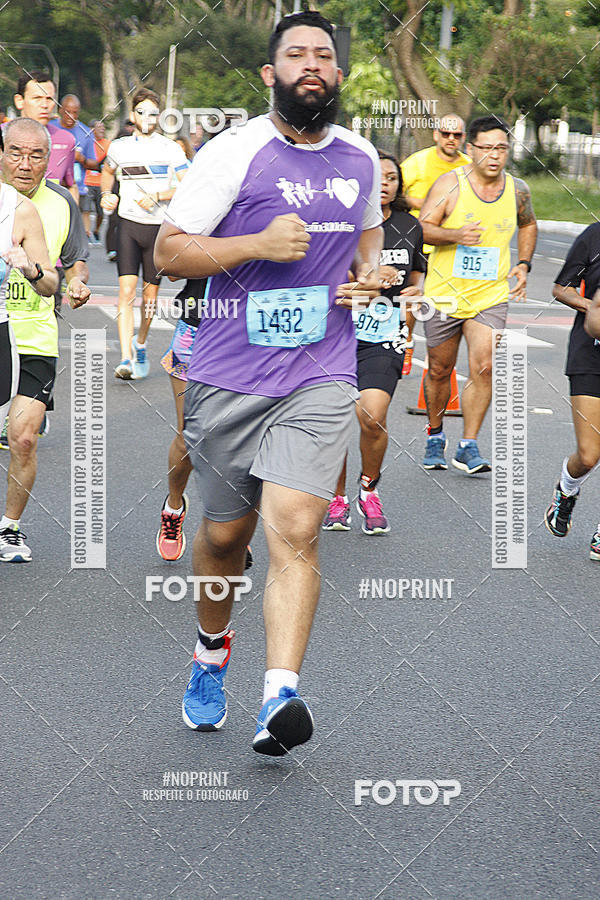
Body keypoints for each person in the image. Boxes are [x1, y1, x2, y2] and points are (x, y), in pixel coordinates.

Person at [154, 10, 383, 754]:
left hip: (320, 371)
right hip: (228, 374)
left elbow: (368, 231)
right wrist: (255, 243)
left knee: (297, 528)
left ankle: (278, 697)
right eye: (296, 55)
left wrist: (369, 274)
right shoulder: (234, 152)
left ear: (337, 76)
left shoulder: (360, 158)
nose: (311, 65)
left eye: (323, 55)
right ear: (270, 73)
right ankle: (209, 653)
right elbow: (167, 250)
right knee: (225, 536)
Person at [419, 114, 537, 474]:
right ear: (471, 149)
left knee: (484, 367)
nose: (494, 156)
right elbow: (422, 229)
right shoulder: (449, 185)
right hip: (445, 294)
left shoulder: (517, 189)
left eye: (501, 148)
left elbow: (528, 223)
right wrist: (456, 236)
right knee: (440, 370)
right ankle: (435, 434)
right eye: (486, 148)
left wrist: (524, 264)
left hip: (489, 295)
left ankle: (468, 445)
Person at [0, 118, 90, 563]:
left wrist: (76, 283)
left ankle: (9, 527)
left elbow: (74, 263)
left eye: (36, 155)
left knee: (25, 438)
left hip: (35, 334)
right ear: (2, 152)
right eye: (16, 152)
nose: (25, 164)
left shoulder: (60, 202)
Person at [323, 150, 425, 534]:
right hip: (337, 332)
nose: (385, 183)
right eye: (377, 176)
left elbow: (417, 276)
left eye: (392, 177)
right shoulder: (338, 221)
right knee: (333, 421)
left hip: (384, 333)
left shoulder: (409, 225)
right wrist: (364, 280)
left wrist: (416, 294)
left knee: (372, 416)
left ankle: (368, 488)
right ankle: (336, 498)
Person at [100, 88, 188, 380]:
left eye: (152, 113)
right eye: (141, 112)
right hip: (128, 225)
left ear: (159, 116)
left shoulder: (171, 149)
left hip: (158, 231)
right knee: (126, 292)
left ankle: (140, 343)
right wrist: (105, 195)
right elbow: (108, 172)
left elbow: (188, 187)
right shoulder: (119, 147)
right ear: (132, 115)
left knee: (149, 297)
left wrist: (160, 196)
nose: (147, 118)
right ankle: (125, 358)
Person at [544, 227, 600, 560]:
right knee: (589, 454)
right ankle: (567, 489)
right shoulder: (593, 237)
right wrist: (591, 309)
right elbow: (561, 287)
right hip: (589, 355)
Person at [400, 115, 469, 374]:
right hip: (417, 241)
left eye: (457, 135)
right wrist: (424, 204)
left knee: (441, 302)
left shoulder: (469, 165)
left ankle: (440, 356)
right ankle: (406, 341)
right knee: (411, 297)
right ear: (436, 135)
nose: (451, 139)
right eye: (446, 133)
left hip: (451, 245)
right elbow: (394, 193)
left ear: (463, 138)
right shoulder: (418, 162)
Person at [13, 72, 76, 191]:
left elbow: (70, 185)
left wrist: (73, 208)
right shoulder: (3, 135)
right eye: (37, 98)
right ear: (19, 101)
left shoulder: (66, 140)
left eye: (49, 99)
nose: (44, 105)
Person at [57, 94, 98, 208]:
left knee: (79, 223)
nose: (71, 116)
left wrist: (81, 158)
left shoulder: (86, 132)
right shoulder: (50, 128)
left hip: (78, 190)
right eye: (67, 112)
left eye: (75, 112)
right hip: (53, 187)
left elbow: (94, 165)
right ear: (60, 110)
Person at [82, 119, 110, 241]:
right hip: (87, 181)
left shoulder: (108, 144)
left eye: (103, 127)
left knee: (100, 212)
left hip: (101, 182)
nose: (102, 130)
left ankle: (96, 230)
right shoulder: (86, 142)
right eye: (99, 127)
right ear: (91, 130)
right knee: (86, 209)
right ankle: (87, 234)